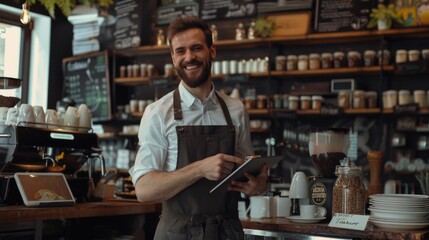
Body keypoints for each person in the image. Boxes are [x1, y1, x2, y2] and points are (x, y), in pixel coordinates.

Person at [129, 16, 269, 240]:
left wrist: (259, 185)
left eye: (196, 48)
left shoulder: (236, 109)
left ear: (211, 51)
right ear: (173, 57)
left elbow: (245, 172)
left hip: (227, 231)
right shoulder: (157, 113)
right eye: (180, 51)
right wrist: (199, 169)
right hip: (176, 232)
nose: (189, 57)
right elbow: (144, 190)